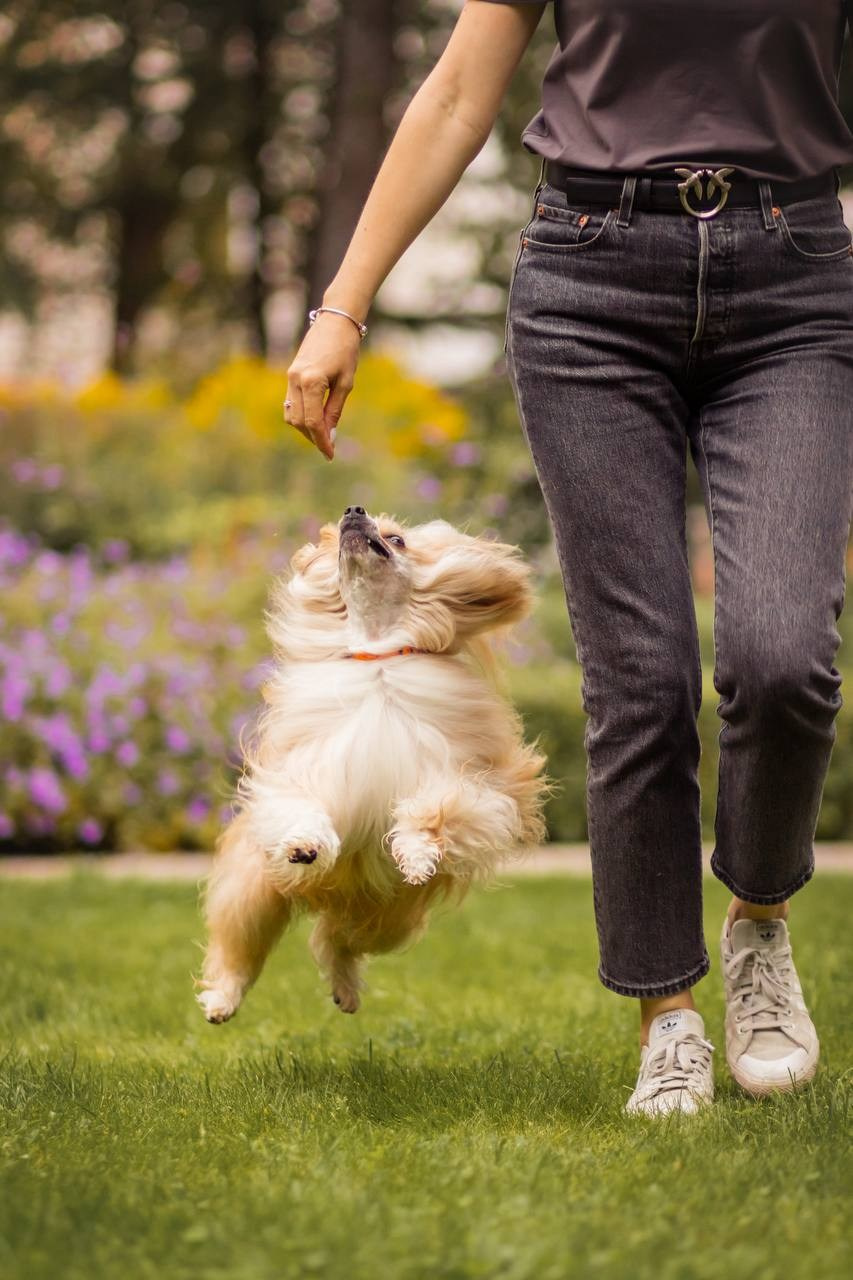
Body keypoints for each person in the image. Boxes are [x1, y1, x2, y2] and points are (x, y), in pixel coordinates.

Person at [282, 2, 853, 1115]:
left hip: (794, 278)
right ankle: (667, 1015)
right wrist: (342, 306)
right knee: (638, 680)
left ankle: (759, 923)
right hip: (593, 282)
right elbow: (455, 92)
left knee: (785, 655)